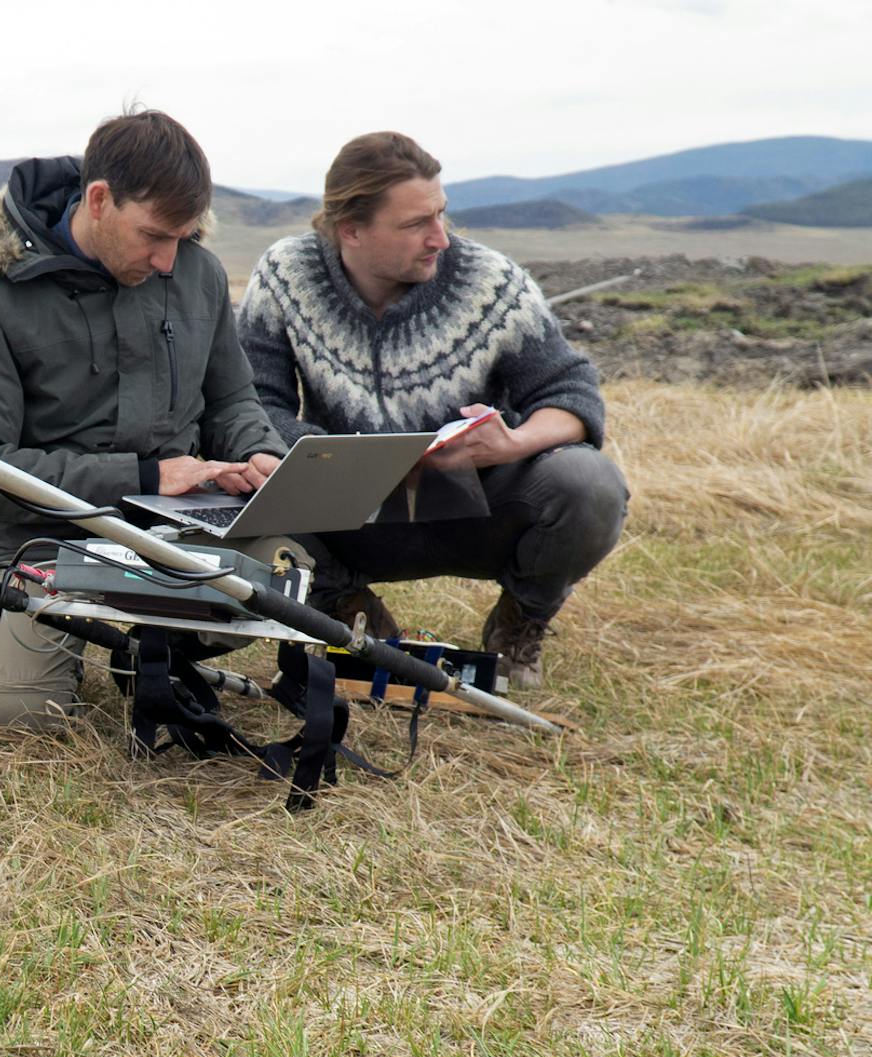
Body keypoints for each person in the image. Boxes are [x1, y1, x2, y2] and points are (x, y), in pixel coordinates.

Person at [0, 109, 287, 731]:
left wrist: (259, 452)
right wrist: (146, 475)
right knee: (13, 713)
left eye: (181, 237)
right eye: (153, 236)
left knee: (284, 561)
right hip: (37, 537)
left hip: (178, 528)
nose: (169, 260)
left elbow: (233, 400)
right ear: (99, 200)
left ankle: (158, 650)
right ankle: (57, 645)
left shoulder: (197, 273)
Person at [237, 132, 628, 688]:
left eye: (441, 214)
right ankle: (345, 607)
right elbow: (254, 403)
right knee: (241, 477)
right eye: (416, 223)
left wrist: (512, 443)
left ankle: (520, 622)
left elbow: (571, 394)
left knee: (590, 483)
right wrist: (329, 457)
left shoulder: (490, 281)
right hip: (349, 514)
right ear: (351, 229)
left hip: (478, 509)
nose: (439, 238)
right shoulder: (285, 273)